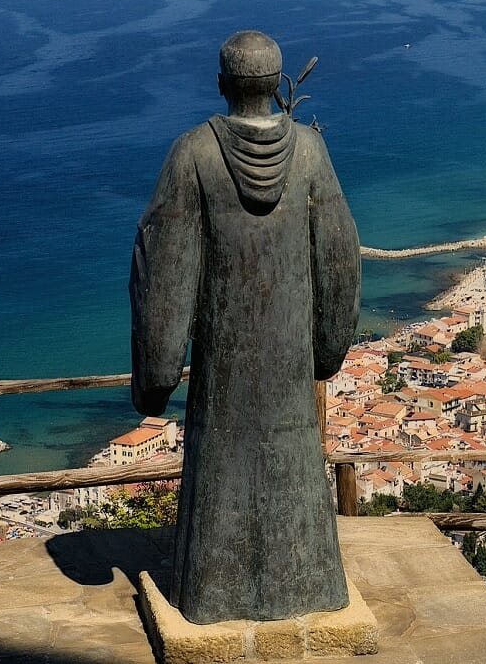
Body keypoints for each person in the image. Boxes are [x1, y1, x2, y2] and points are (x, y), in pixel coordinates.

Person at [130, 31, 360, 624]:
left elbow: (164, 272)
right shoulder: (309, 153)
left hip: (222, 372)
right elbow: (339, 256)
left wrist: (155, 379)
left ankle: (214, 593)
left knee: (220, 480)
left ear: (223, 85)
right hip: (289, 362)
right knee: (294, 472)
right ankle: (307, 588)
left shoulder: (193, 153)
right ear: (274, 84)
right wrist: (329, 351)